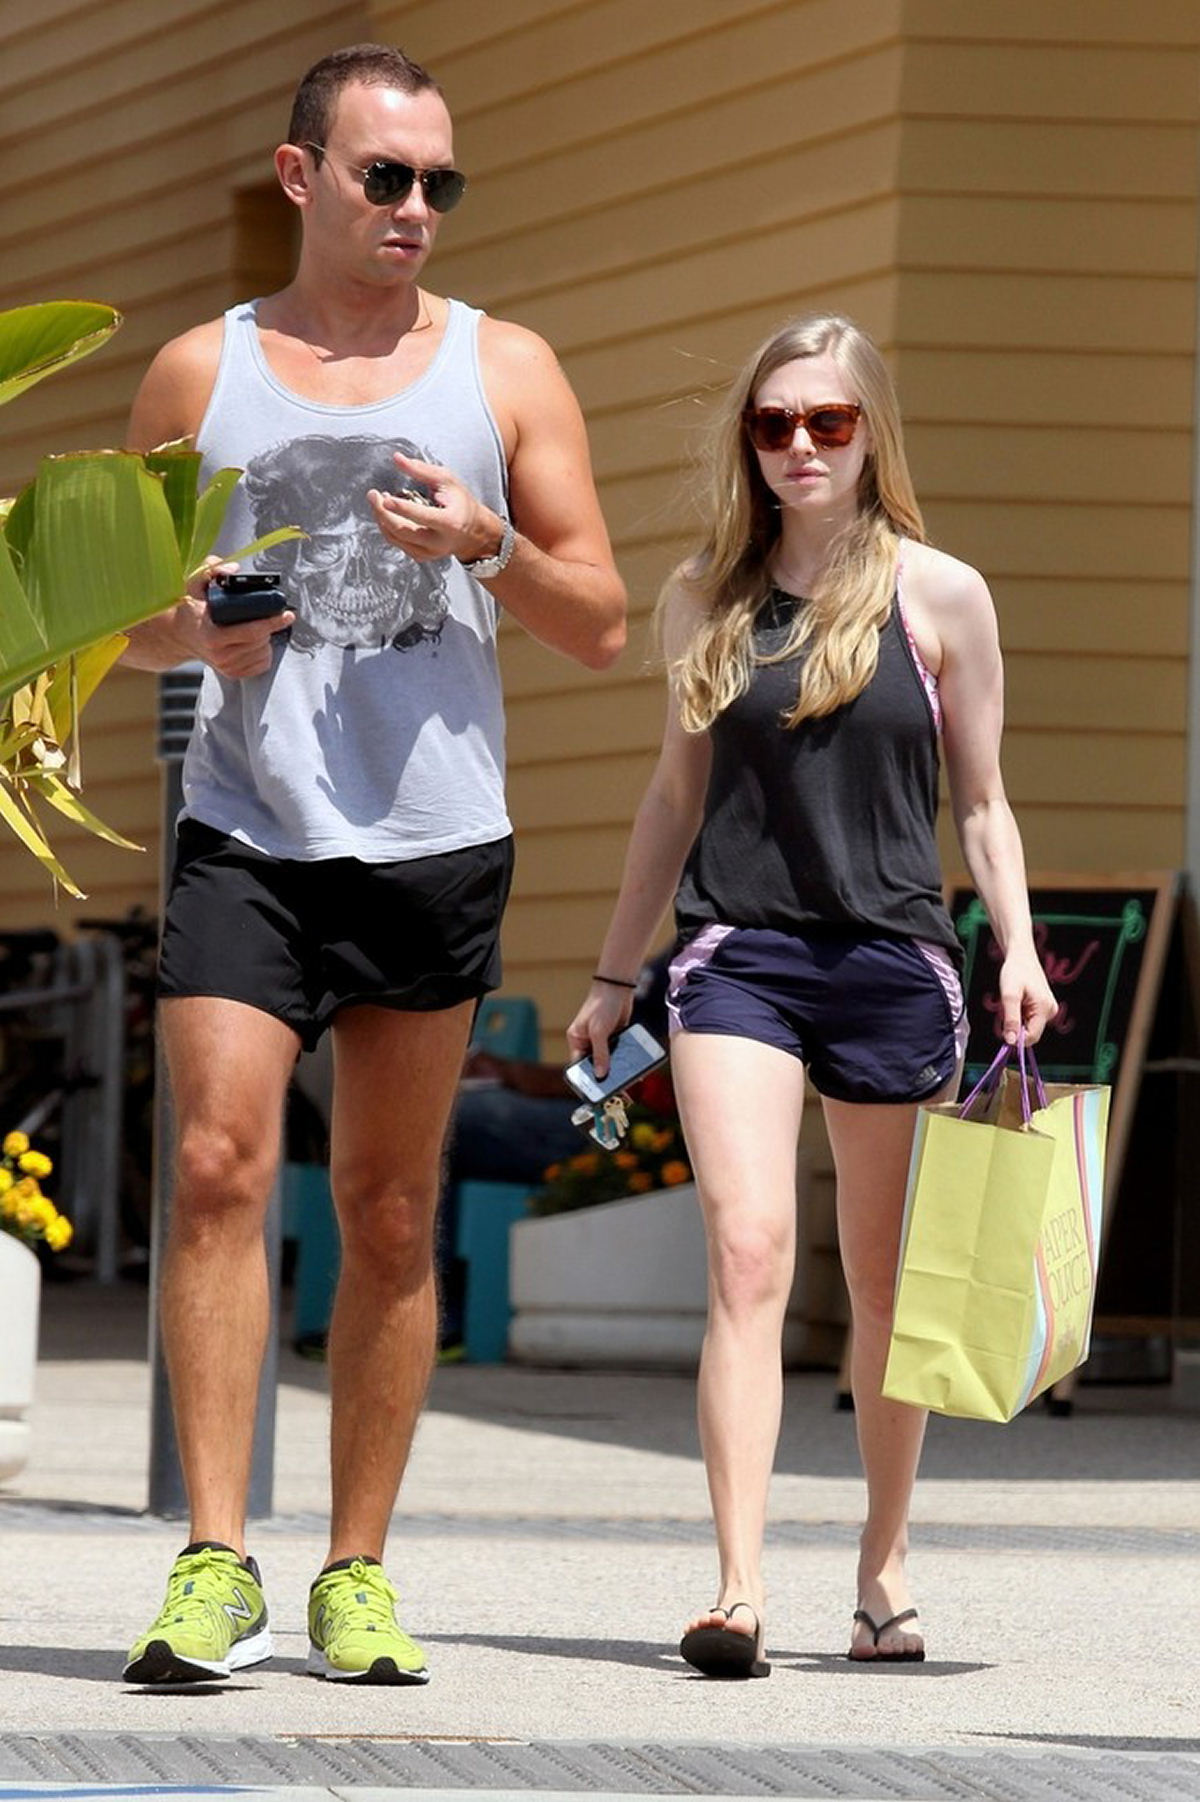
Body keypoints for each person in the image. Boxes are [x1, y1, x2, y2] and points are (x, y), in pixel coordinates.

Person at [117, 42, 625, 1688]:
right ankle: (214, 1559)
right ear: (300, 178)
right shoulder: (202, 375)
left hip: (431, 835)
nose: (416, 209)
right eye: (384, 176)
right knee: (212, 1161)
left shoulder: (508, 371)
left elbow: (603, 622)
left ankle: (356, 1573)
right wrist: (195, 633)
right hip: (247, 827)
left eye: (438, 184)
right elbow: (122, 625)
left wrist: (491, 547)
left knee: (391, 1210)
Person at [567, 313, 1057, 1680]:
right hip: (741, 961)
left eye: (826, 422)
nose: (797, 445)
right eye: (774, 422)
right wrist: (617, 974)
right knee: (748, 1252)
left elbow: (985, 804)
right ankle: (735, 1586)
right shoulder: (702, 599)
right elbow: (673, 797)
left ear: (871, 436)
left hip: (897, 963)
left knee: (887, 1287)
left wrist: (1013, 947)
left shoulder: (942, 596)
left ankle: (884, 1574)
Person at [437, 954, 672, 1347]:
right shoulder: (674, 950)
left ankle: (439, 1315)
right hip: (591, 1104)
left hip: (634, 1127)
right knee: (434, 1120)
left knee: (455, 1123)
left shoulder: (716, 951)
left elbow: (655, 1064)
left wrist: (520, 1075)